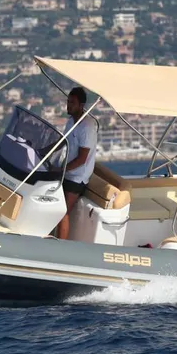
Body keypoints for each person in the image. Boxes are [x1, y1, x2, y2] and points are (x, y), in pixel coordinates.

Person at [56, 86, 96, 240]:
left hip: (78, 177)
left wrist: (62, 169)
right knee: (53, 207)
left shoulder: (87, 127)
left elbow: (81, 159)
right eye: (68, 102)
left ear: (81, 105)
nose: (68, 105)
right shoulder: (70, 121)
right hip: (67, 173)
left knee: (62, 212)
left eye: (72, 103)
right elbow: (62, 143)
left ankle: (60, 246)